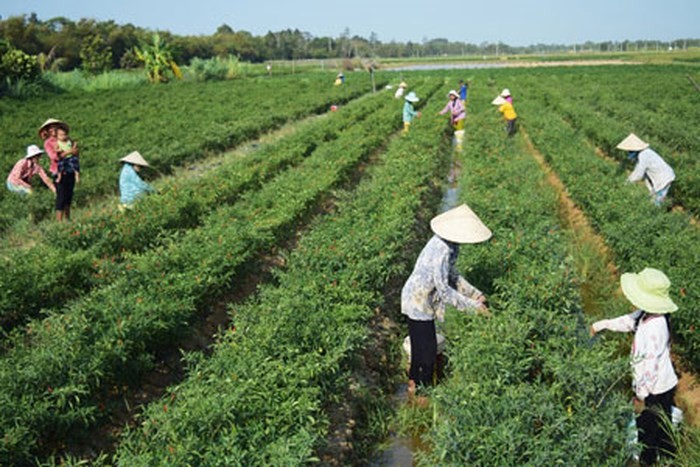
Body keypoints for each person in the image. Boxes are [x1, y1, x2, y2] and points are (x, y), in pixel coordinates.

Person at [401, 204, 492, 397]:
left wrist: (475, 294)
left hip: (420, 298)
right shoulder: (442, 249)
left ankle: (412, 385)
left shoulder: (450, 245)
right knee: (426, 353)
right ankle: (421, 394)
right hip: (418, 301)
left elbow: (453, 276)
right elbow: (444, 290)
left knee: (421, 347)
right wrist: (474, 307)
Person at [590, 268, 678, 466]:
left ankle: (652, 461)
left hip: (655, 389)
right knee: (661, 425)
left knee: (648, 432)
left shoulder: (656, 327)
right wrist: (600, 325)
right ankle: (668, 457)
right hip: (656, 386)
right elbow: (627, 322)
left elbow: (651, 366)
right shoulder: (646, 314)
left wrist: (641, 395)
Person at [617, 133, 675, 206]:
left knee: (656, 200)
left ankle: (655, 211)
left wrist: (627, 182)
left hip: (664, 177)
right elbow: (639, 170)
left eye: (630, 151)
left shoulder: (644, 155)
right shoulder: (644, 153)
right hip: (664, 176)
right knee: (654, 196)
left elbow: (638, 173)